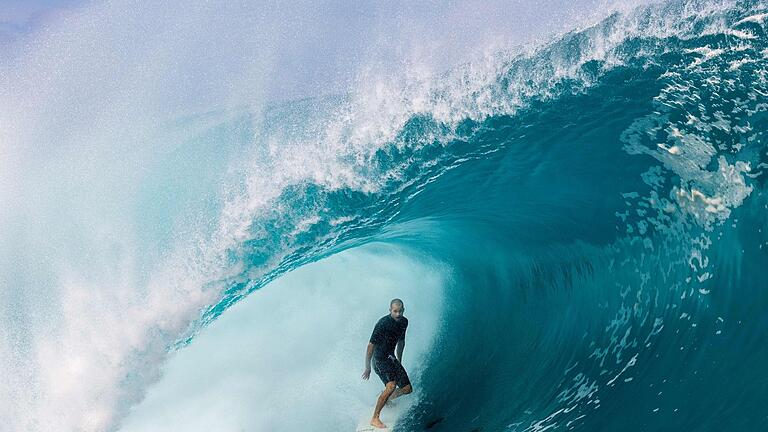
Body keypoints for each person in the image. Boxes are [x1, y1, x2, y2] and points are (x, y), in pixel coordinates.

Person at [361, 298, 413, 429]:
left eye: (400, 311)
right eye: (395, 311)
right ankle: (375, 418)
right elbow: (370, 346)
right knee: (391, 385)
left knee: (407, 389)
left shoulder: (404, 322)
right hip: (379, 358)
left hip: (390, 357)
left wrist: (399, 361)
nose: (398, 314)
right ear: (390, 310)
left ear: (403, 310)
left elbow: (401, 342)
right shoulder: (382, 323)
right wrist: (367, 367)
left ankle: (386, 398)